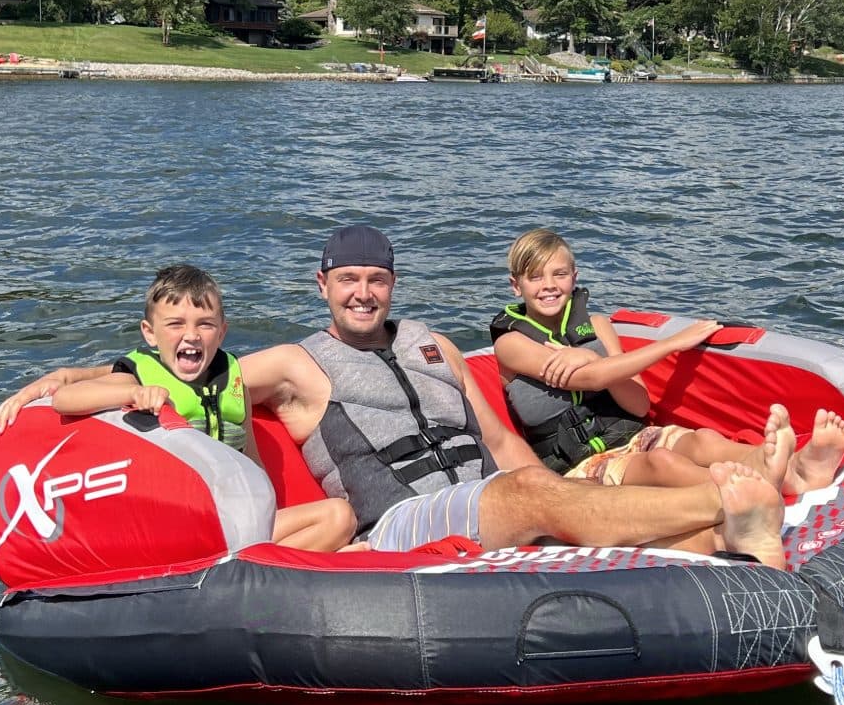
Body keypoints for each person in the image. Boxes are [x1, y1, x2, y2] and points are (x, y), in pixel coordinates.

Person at [262, 224, 785, 566]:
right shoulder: (296, 364)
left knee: (573, 503)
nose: (363, 293)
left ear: (393, 285)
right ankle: (728, 503)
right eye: (348, 279)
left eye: (377, 280)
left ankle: (732, 545)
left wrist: (561, 496)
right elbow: (207, 375)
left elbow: (498, 439)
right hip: (403, 521)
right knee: (531, 489)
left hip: (490, 506)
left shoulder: (435, 345)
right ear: (322, 285)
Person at [0, 262, 355, 553]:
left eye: (205, 324)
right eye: (175, 324)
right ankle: (272, 567)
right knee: (335, 521)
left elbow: (252, 459)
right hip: (183, 523)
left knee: (340, 519)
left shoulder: (233, 376)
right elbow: (66, 401)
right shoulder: (138, 376)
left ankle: (257, 570)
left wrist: (270, 506)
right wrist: (130, 395)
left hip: (238, 519)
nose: (191, 335)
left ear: (222, 332)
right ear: (150, 332)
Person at [490, 227, 844, 496]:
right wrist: (673, 344)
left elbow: (639, 402)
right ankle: (759, 490)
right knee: (663, 464)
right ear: (515, 286)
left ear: (575, 278)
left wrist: (589, 352)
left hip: (635, 436)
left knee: (704, 442)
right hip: (581, 469)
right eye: (535, 277)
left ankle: (796, 470)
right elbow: (587, 378)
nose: (549, 285)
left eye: (559, 274)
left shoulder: (598, 326)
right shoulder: (512, 344)